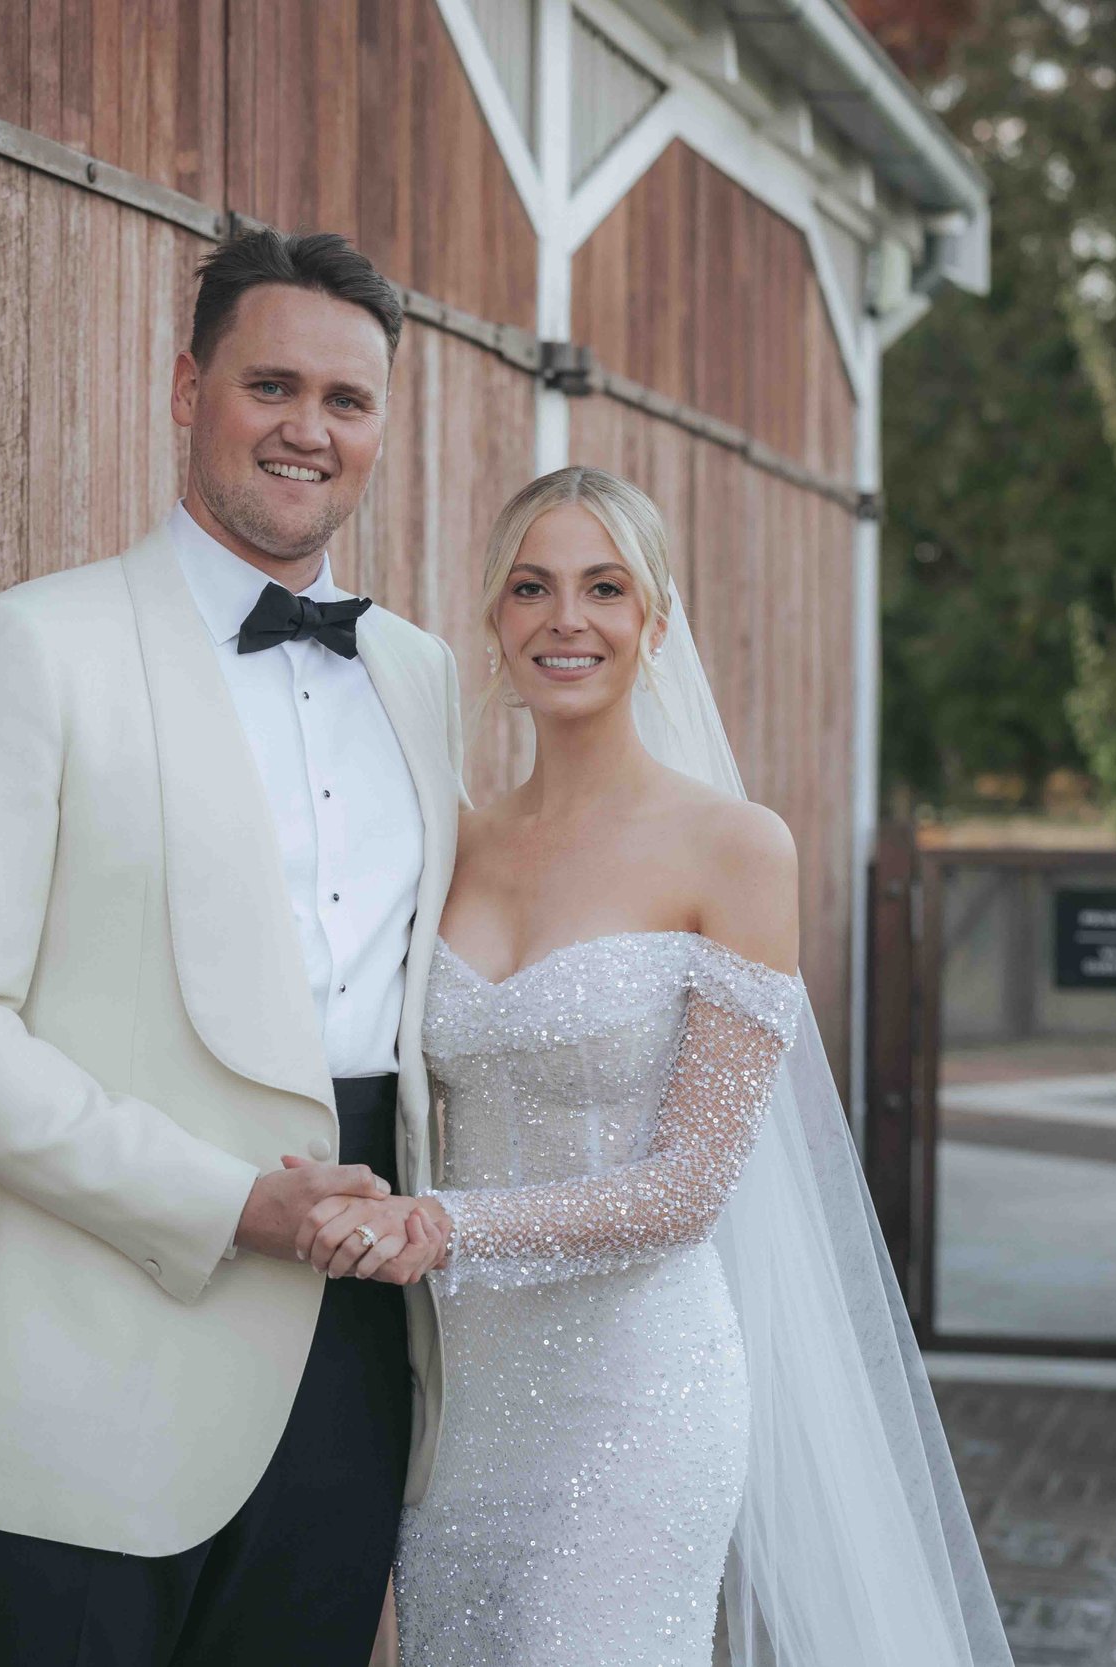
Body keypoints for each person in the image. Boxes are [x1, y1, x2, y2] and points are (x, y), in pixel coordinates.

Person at [0, 228, 462, 1667]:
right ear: (186, 387)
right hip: (94, 1348)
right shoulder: (32, 647)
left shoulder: (423, 675)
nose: (307, 428)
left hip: (359, 1357)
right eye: (271, 383)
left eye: (349, 399)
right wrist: (222, 1199)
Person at [300, 468, 1018, 1666]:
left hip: (635, 1392)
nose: (563, 619)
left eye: (604, 588)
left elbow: (688, 1191)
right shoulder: (451, 846)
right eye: (530, 587)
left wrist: (444, 1224)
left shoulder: (735, 847)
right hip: (463, 1405)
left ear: (656, 620)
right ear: (493, 618)